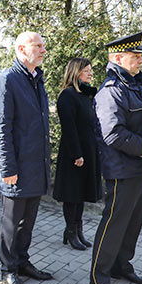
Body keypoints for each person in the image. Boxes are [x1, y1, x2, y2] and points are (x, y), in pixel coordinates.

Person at [90, 32, 142, 284]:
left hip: (140, 167)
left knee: (133, 222)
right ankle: (99, 276)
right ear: (118, 58)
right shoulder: (110, 91)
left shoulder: (136, 87)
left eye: (141, 56)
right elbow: (113, 134)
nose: (140, 60)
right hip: (122, 169)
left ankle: (121, 265)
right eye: (135, 56)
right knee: (115, 223)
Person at [0, 31, 53, 284]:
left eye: (43, 46)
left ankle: (22, 261)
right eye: (37, 45)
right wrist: (8, 170)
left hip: (35, 165)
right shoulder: (7, 80)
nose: (42, 50)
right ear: (20, 48)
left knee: (28, 221)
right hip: (17, 167)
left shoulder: (36, 80)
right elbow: (1, 128)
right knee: (11, 223)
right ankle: (8, 270)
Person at [53, 58, 102, 251]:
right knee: (72, 194)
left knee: (81, 193)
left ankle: (78, 230)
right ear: (76, 72)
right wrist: (77, 154)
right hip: (74, 152)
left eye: (91, 70)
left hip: (87, 150)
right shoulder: (67, 95)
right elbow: (69, 128)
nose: (90, 73)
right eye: (86, 70)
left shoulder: (85, 95)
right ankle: (70, 231)